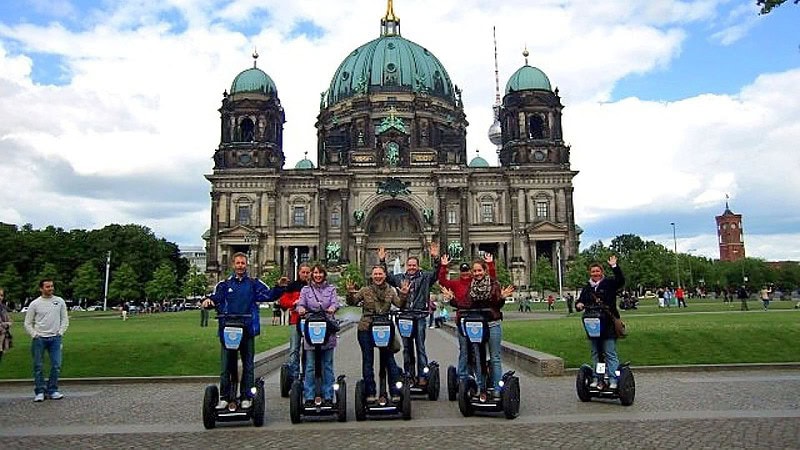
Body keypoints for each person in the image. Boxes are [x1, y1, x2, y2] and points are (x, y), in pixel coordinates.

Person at [201, 252, 287, 410]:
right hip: (227, 330)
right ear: (233, 265)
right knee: (226, 366)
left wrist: (279, 288)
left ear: (246, 264)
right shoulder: (224, 285)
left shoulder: (253, 283)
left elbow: (268, 295)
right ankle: (225, 397)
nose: (240, 265)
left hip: (247, 329)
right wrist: (208, 301)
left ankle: (246, 396)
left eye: (243, 263)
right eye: (238, 263)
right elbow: (215, 298)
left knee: (248, 365)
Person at [449, 258, 513, 399]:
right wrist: (452, 300)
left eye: (480, 270)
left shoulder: (494, 284)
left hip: (492, 324)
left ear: (485, 271)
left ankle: (496, 388)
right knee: (479, 358)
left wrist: (501, 297)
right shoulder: (471, 287)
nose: (477, 273)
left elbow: (497, 304)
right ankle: (480, 387)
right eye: (475, 271)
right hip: (478, 326)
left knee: (495, 357)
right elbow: (465, 304)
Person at [379, 243, 440, 387]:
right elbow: (387, 277)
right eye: (410, 265)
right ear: (406, 266)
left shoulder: (425, 277)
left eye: (414, 265)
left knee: (420, 347)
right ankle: (409, 375)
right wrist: (382, 261)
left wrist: (436, 258)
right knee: (407, 348)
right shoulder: (400, 278)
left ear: (418, 266)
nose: (411, 267)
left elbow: (437, 273)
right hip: (405, 318)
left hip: (419, 316)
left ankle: (422, 375)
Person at [346, 265, 410, 402]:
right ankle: (370, 392)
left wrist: (404, 294)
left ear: (385, 275)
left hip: (384, 328)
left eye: (380, 274)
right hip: (366, 328)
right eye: (375, 274)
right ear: (372, 276)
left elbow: (400, 305)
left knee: (389, 360)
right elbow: (352, 302)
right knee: (368, 361)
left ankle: (394, 391)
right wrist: (350, 293)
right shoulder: (365, 290)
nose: (378, 276)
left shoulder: (391, 291)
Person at [438, 253, 496, 384]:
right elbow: (442, 282)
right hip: (463, 321)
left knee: (477, 350)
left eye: (467, 270)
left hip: (479, 320)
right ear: (460, 272)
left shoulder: (475, 282)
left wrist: (491, 265)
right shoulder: (456, 283)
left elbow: (492, 280)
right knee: (464, 350)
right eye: (462, 271)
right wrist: (443, 266)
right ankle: (463, 378)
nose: (465, 273)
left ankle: (479, 377)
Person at [575, 256, 624, 390]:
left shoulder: (608, 283)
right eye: (593, 272)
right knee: (596, 353)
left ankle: (613, 378)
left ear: (601, 272)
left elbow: (620, 281)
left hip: (608, 323)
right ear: (590, 273)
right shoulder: (587, 288)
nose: (595, 273)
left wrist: (614, 266)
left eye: (597, 271)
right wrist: (579, 304)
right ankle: (598, 378)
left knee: (609, 352)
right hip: (593, 324)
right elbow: (580, 301)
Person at [295, 265, 339, 406]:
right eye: (315, 273)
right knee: (310, 366)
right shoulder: (306, 290)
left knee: (327, 365)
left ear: (324, 274)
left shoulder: (331, 289)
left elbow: (335, 303)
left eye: (320, 272)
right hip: (312, 329)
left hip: (327, 328)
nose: (318, 275)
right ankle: (309, 395)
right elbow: (300, 304)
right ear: (312, 275)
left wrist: (332, 308)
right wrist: (301, 309)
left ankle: (328, 395)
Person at [24, 279, 69, 402]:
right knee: (38, 366)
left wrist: (60, 333)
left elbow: (65, 319)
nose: (50, 289)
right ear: (41, 288)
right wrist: (34, 334)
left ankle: (53, 389)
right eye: (48, 287)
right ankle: (40, 391)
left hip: (55, 338)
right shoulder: (35, 304)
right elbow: (27, 323)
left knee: (56, 365)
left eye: (52, 286)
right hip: (40, 339)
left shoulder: (59, 301)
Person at [277, 263, 311, 382]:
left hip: (311, 322)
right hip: (295, 321)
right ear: (299, 272)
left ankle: (308, 375)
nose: (306, 275)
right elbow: (283, 301)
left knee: (309, 350)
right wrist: (293, 303)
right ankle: (294, 376)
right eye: (303, 272)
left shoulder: (313, 286)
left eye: (308, 272)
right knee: (294, 349)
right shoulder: (292, 286)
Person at [0, 288, 13, 363]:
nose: (0, 297)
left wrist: (7, 323)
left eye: (1, 295)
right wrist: (5, 323)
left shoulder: (3, 308)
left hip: (2, 339)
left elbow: (10, 320)